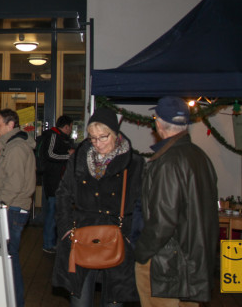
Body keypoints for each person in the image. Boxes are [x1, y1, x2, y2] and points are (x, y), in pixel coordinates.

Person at [52, 108, 144, 306]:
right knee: (79, 299)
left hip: (117, 239)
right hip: (82, 237)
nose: (98, 143)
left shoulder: (134, 163)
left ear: (115, 133)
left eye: (103, 137)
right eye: (93, 138)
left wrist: (131, 237)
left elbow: (140, 205)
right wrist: (67, 229)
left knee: (113, 300)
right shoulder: (79, 158)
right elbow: (63, 194)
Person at [134, 96, 218, 307]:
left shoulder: (168, 162)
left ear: (158, 123)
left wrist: (142, 252)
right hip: (194, 262)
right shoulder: (201, 158)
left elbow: (163, 221)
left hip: (165, 264)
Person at [0, 108, 36, 307]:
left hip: (11, 209)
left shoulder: (16, 147)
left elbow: (14, 183)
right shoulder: (13, 145)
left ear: (11, 125)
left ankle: (14, 301)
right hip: (12, 208)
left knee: (9, 258)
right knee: (8, 257)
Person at [36, 115, 75, 253]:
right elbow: (50, 154)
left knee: (55, 212)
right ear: (66, 126)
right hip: (53, 181)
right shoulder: (54, 136)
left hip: (57, 181)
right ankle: (48, 243)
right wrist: (68, 155)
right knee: (52, 213)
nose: (71, 130)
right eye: (71, 126)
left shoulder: (61, 138)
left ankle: (53, 242)